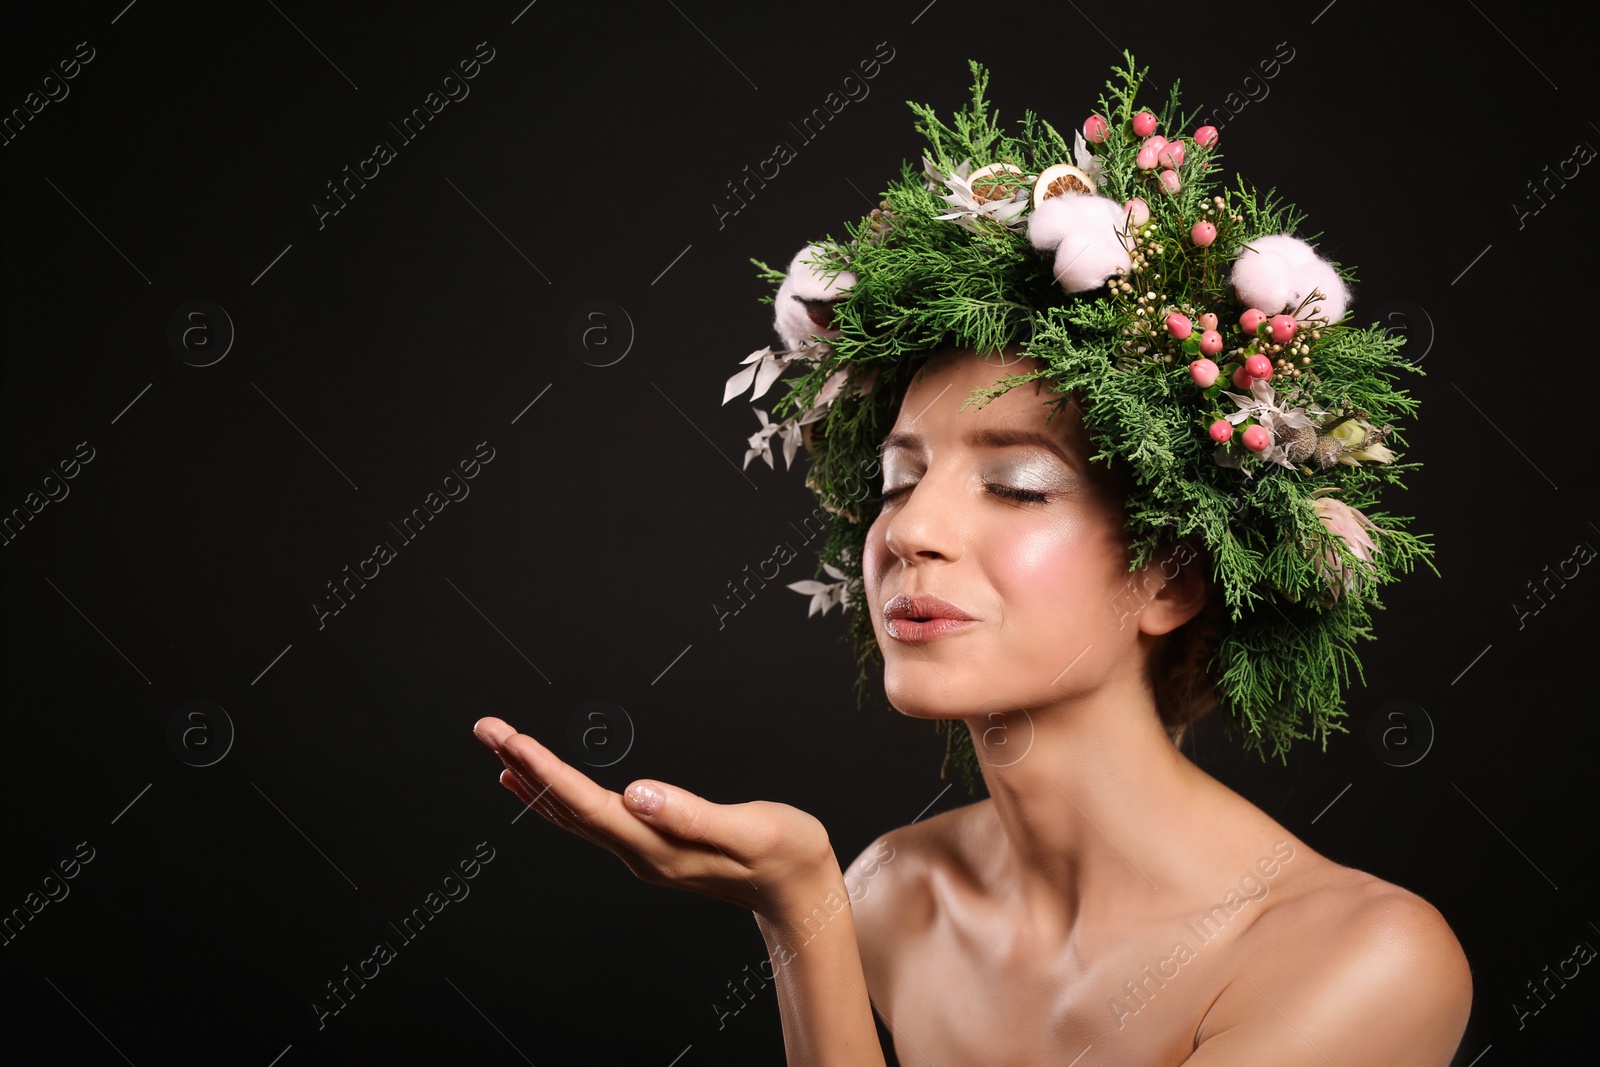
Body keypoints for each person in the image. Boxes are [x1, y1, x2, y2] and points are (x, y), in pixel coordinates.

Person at [474, 55, 1474, 1064]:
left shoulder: (1360, 961)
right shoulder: (891, 896)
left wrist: (798, 909)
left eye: (1017, 485)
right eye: (901, 476)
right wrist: (801, 903)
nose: (908, 530)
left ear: (1169, 575)